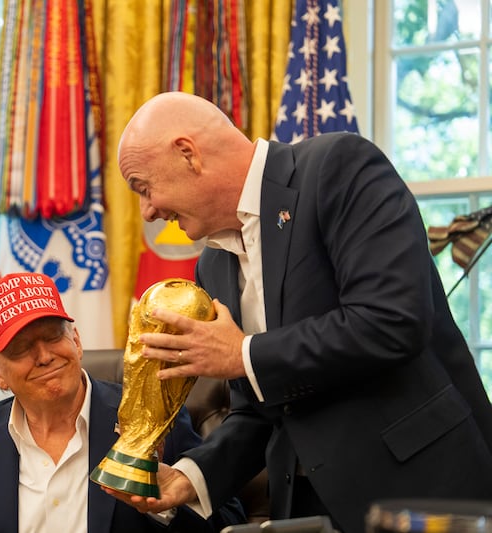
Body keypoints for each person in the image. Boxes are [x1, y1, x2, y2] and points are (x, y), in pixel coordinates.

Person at [108, 91, 492, 533]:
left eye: (143, 187)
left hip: (420, 492)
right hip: (304, 509)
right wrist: (190, 478)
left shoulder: (339, 167)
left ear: (188, 154)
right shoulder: (211, 264)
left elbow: (392, 320)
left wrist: (243, 355)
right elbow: (260, 406)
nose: (149, 211)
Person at [0, 272, 245, 533]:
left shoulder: (155, 417)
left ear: (76, 341)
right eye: (21, 348)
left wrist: (165, 506)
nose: (44, 357)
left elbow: (229, 523)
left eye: (53, 336)